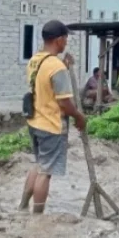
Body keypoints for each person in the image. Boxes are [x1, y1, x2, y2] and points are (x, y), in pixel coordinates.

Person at [18, 20, 86, 214]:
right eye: (65, 38)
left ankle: (23, 205)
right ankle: (38, 216)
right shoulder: (57, 67)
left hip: (35, 121)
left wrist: (63, 66)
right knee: (45, 172)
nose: (66, 42)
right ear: (58, 40)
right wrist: (79, 116)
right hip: (51, 124)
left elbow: (44, 82)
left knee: (39, 164)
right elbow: (65, 103)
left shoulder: (35, 60)